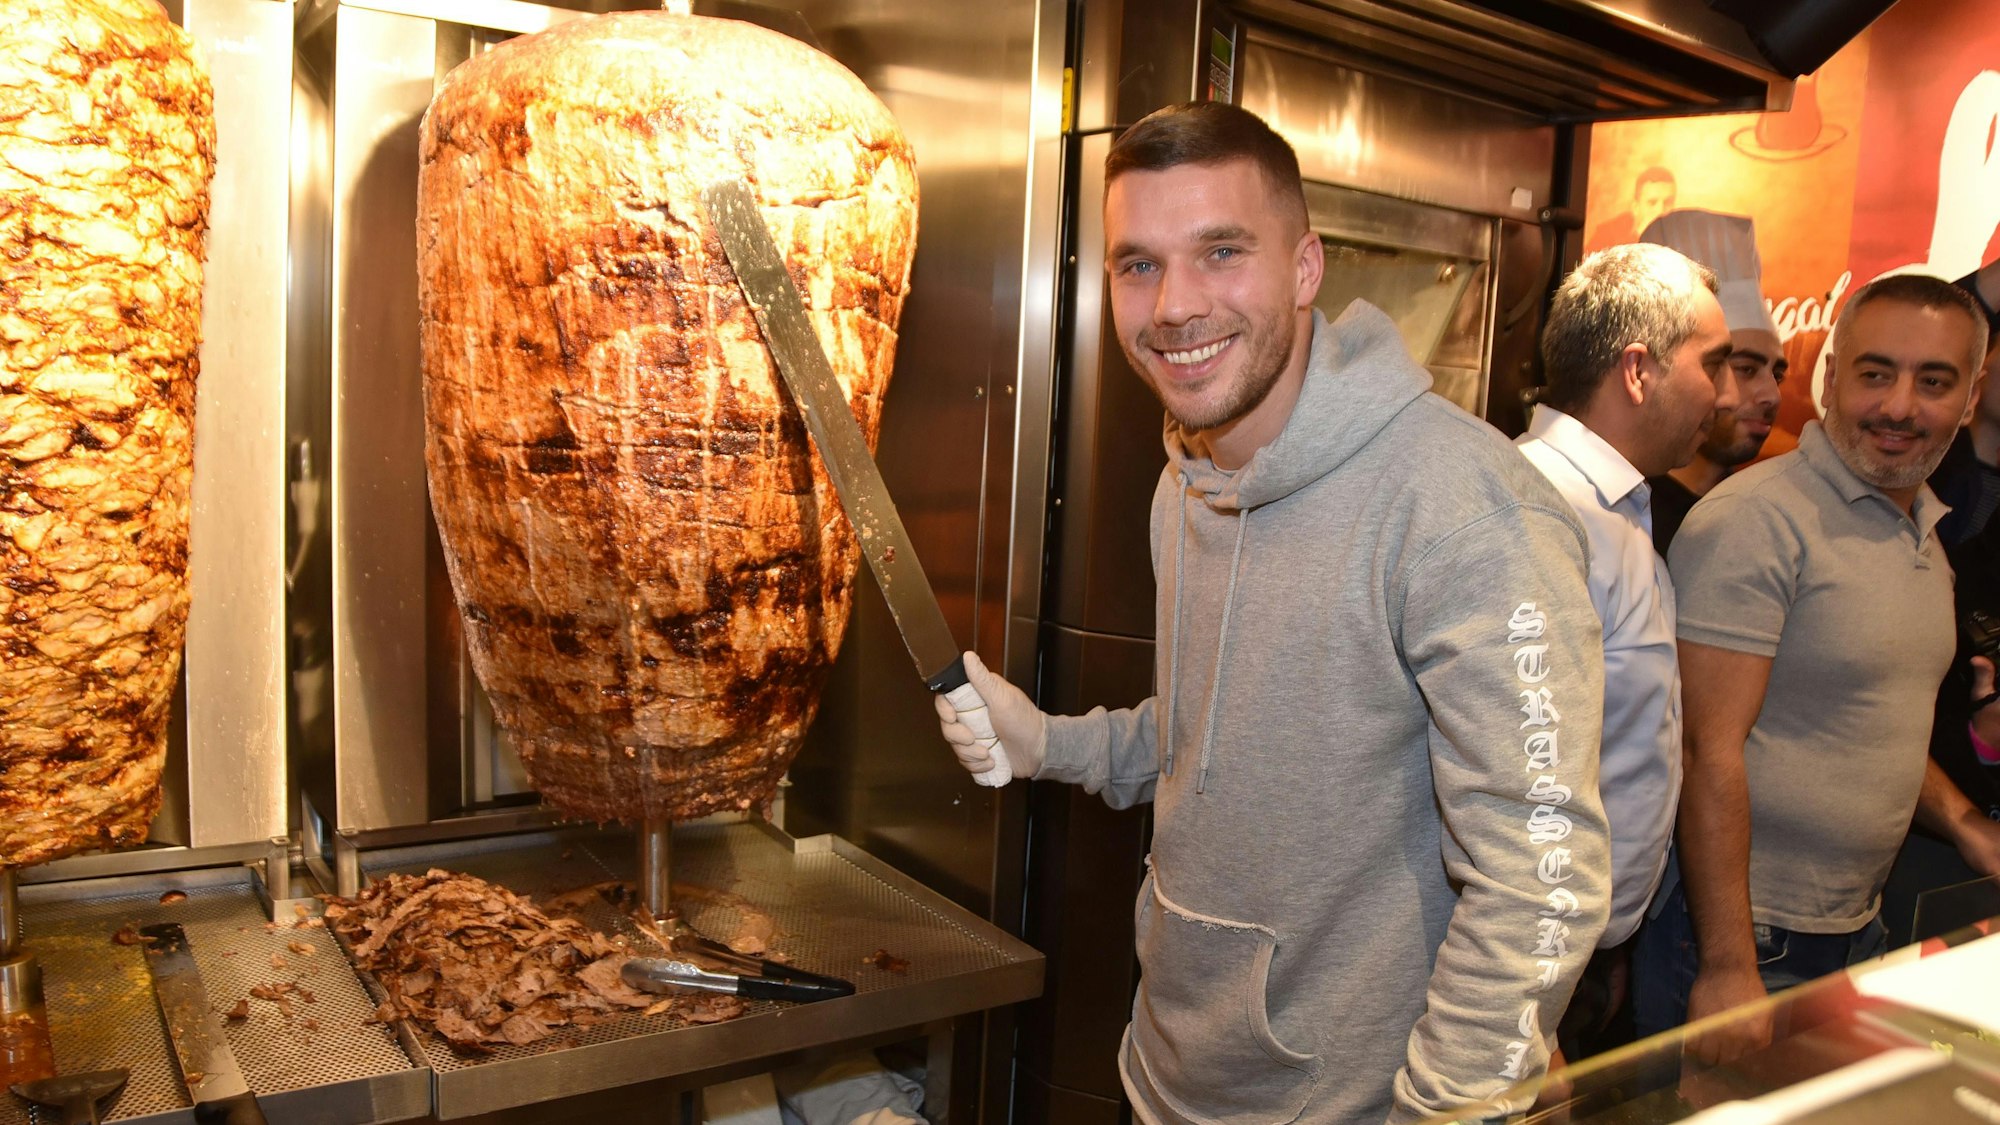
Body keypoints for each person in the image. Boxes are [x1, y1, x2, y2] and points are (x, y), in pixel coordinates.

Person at [934, 101, 1611, 1124]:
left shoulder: (1460, 508)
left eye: (1219, 252)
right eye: (1137, 264)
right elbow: (1219, 732)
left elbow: (1539, 877)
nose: (1172, 306)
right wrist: (1051, 746)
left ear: (1304, 269)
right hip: (1169, 1081)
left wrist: (1443, 1112)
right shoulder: (1185, 483)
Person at [1633, 274, 1994, 1056]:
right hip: (1747, 938)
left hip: (1855, 928)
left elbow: (1865, 721)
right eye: (1875, 373)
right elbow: (1702, 748)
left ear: (1970, 398)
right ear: (1831, 378)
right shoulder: (1758, 519)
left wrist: (1966, 823)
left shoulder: (1924, 531)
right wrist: (1729, 964)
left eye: (1934, 381)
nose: (1899, 406)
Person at [1515, 243, 1734, 1057]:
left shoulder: (1621, 507)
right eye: (1715, 364)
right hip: (1533, 974)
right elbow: (1498, 783)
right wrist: (1528, 1017)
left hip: (1588, 957)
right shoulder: (1542, 512)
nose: (1727, 394)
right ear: (1639, 371)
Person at [1637, 211, 1788, 553]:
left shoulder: (1762, 518)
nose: (1772, 395)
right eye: (1745, 368)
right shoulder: (1629, 513)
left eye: (1776, 374)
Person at [1588, 166, 1677, 251]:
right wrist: (1640, 238)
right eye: (1652, 203)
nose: (1660, 210)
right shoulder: (1606, 236)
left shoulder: (1681, 236)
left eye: (1668, 202)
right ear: (1636, 207)